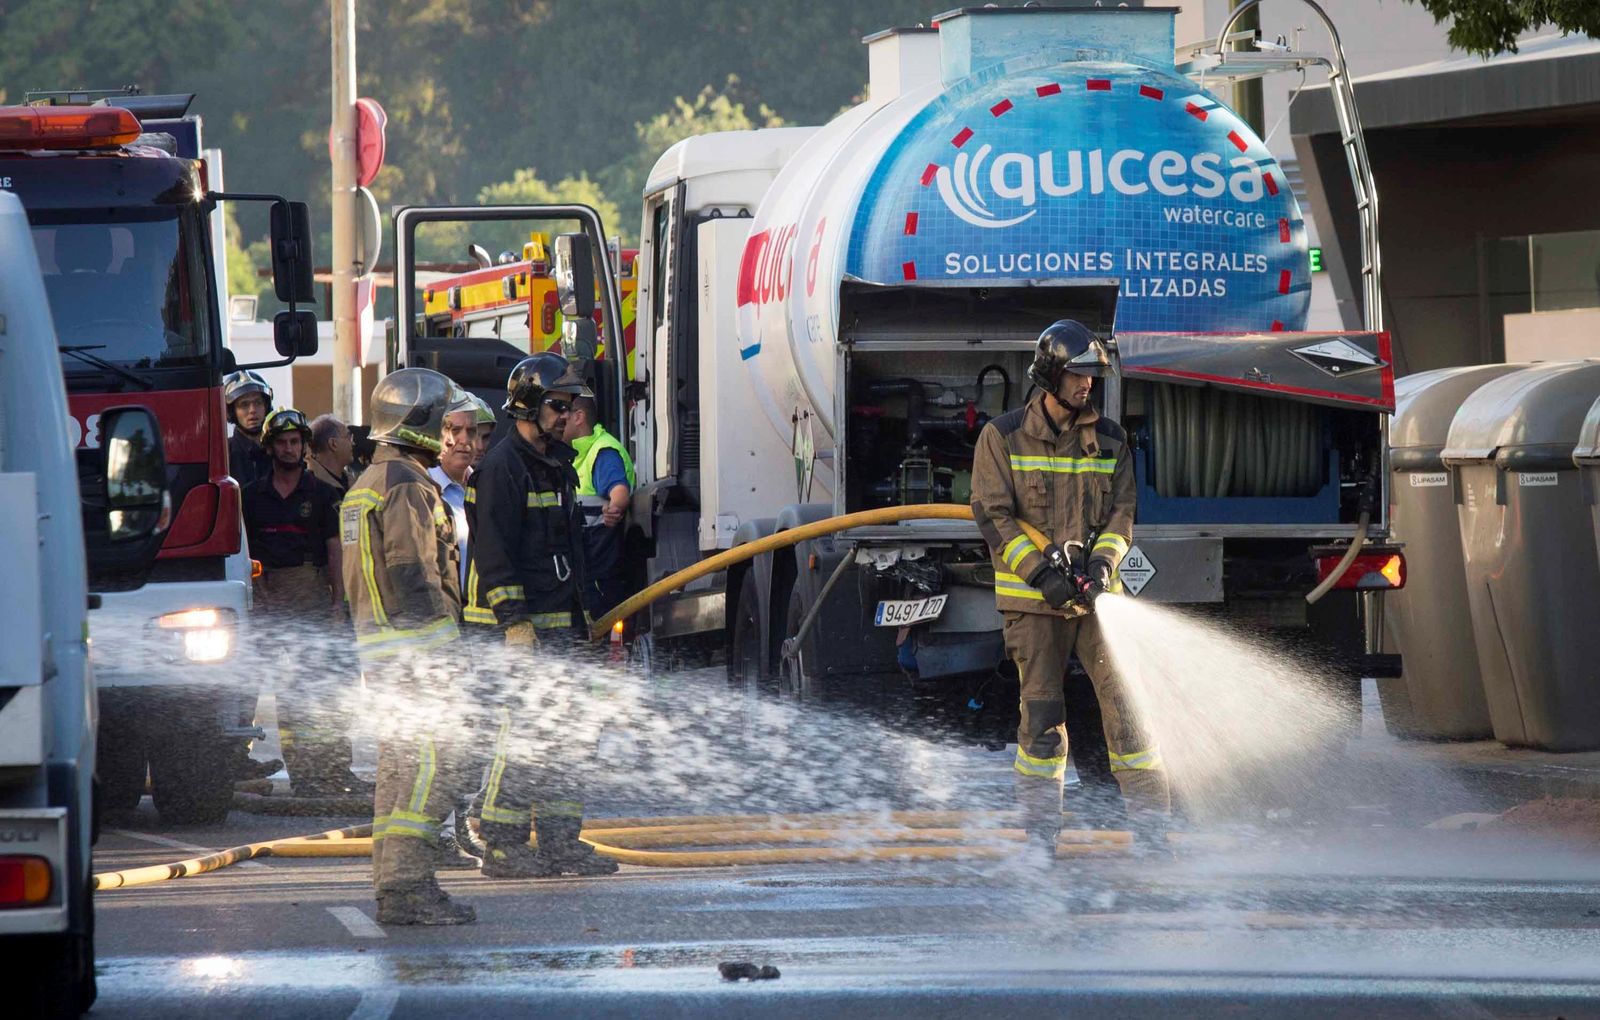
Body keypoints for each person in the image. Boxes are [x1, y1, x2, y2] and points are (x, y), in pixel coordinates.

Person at [969, 319, 1169, 854]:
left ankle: (1154, 836)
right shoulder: (1002, 436)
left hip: (1099, 603)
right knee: (1042, 719)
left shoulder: (1110, 439)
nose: (1087, 386)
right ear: (1051, 375)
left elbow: (1122, 514)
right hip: (1034, 606)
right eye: (1079, 375)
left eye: (1092, 377)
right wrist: (1041, 576)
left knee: (1129, 711)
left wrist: (1103, 569)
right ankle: (1041, 840)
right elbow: (994, 517)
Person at [463, 353, 618, 878]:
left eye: (570, 405)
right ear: (527, 405)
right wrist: (515, 623)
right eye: (557, 404)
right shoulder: (503, 468)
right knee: (523, 740)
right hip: (523, 632)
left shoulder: (555, 464)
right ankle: (503, 845)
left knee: (569, 737)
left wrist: (588, 613)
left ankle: (559, 843)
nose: (566, 414)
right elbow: (493, 551)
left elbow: (571, 548)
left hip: (562, 626)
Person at [343, 368, 477, 925]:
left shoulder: (367, 482)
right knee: (439, 766)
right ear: (419, 424)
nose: (449, 434)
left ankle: (397, 887)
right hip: (415, 653)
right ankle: (408, 889)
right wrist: (441, 653)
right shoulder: (405, 485)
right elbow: (410, 568)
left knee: (401, 769)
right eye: (442, 422)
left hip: (384, 653)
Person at [242, 408, 359, 797]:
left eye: (295, 442)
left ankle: (334, 770)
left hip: (312, 593)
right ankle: (304, 776)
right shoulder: (252, 497)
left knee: (324, 689)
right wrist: (260, 597)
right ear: (270, 447)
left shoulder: (323, 495)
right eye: (282, 442)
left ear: (305, 446)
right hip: (270, 596)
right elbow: (247, 553)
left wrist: (337, 605)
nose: (289, 449)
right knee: (286, 695)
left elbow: (334, 551)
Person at [564, 394, 635, 618]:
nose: (558, 419)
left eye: (563, 413)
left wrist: (615, 508)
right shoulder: (576, 454)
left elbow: (619, 491)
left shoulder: (603, 452)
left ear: (579, 417)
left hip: (598, 575)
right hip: (586, 572)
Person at [224, 369, 274, 488]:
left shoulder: (279, 448)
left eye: (258, 403)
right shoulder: (223, 454)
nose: (252, 410)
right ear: (231, 412)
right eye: (244, 405)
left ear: (266, 407)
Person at [308, 413, 355, 497]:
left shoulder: (352, 482)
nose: (353, 443)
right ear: (333, 444)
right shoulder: (309, 487)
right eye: (348, 437)